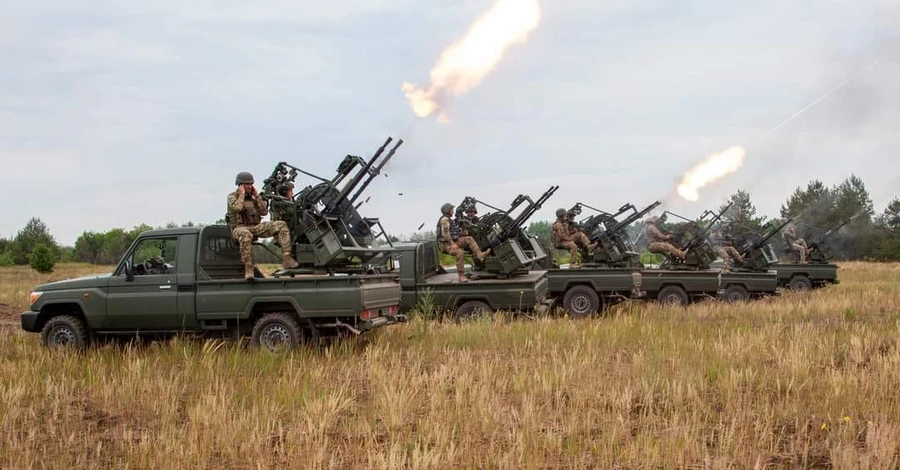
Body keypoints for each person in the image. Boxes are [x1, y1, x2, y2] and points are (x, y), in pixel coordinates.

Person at [227, 171, 299, 280]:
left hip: (255, 227)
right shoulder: (232, 196)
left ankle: (287, 257)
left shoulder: (254, 198)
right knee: (245, 234)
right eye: (247, 184)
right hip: (239, 228)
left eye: (251, 184)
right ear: (240, 185)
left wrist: (257, 196)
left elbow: (264, 212)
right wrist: (241, 194)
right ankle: (249, 268)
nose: (250, 186)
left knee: (281, 225)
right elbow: (237, 208)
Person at [436, 203, 491, 282]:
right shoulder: (444, 219)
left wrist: (463, 233)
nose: (453, 211)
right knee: (459, 252)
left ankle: (480, 255)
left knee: (469, 239)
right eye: (451, 209)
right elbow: (445, 234)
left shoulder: (449, 220)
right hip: (446, 244)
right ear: (447, 211)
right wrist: (452, 244)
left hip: (453, 241)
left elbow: (454, 233)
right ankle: (461, 276)